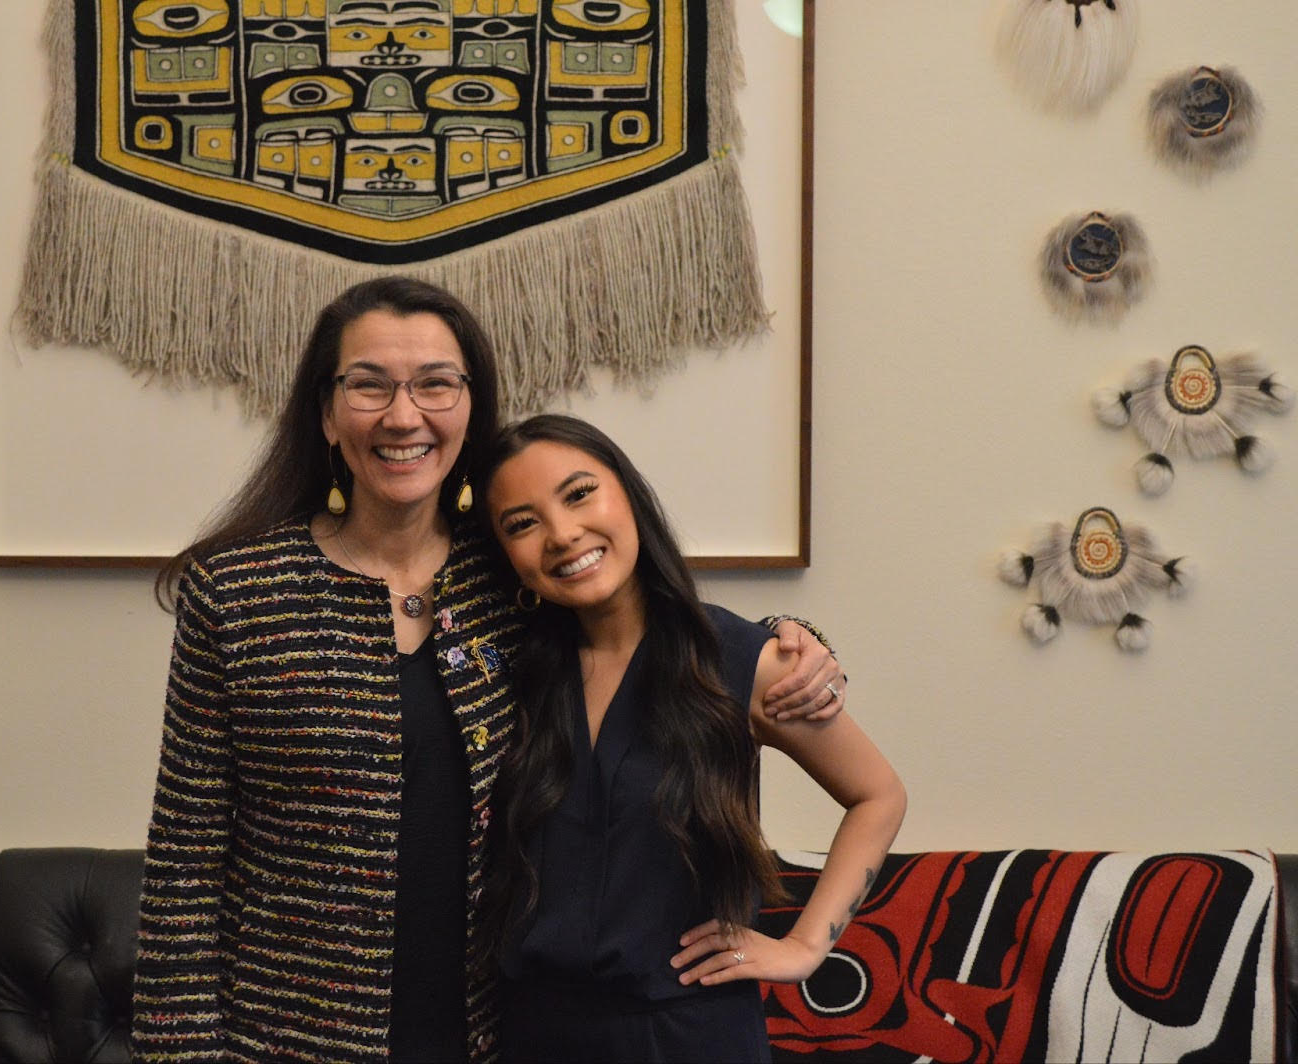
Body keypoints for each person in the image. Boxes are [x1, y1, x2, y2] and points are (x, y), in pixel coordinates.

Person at [132, 277, 849, 1063]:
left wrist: (790, 636)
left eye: (435, 384)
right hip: (283, 1040)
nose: (403, 415)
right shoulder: (237, 593)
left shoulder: (513, 573)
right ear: (327, 413)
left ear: (471, 409)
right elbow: (184, 868)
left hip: (497, 1035)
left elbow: (651, 624)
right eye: (369, 385)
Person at [478, 413, 907, 1063]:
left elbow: (879, 794)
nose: (563, 534)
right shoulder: (506, 673)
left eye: (579, 493)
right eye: (522, 523)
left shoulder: (739, 657)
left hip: (687, 1036)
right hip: (531, 1034)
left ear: (628, 493)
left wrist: (805, 948)